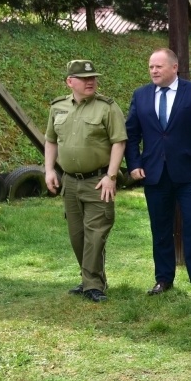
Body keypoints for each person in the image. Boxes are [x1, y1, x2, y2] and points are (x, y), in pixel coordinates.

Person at [125, 48, 191, 299]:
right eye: (151, 67)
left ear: (174, 67)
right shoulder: (141, 95)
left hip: (189, 173)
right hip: (153, 173)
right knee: (160, 227)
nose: (153, 71)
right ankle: (163, 278)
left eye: (159, 66)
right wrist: (134, 164)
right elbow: (131, 133)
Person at [44, 59, 127, 303]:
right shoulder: (58, 107)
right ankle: (90, 279)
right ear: (70, 82)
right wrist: (49, 170)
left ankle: (93, 284)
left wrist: (111, 176)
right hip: (69, 182)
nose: (90, 82)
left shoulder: (107, 108)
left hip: (98, 181)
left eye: (93, 78)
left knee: (96, 234)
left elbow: (118, 142)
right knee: (77, 235)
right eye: (84, 78)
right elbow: (50, 140)